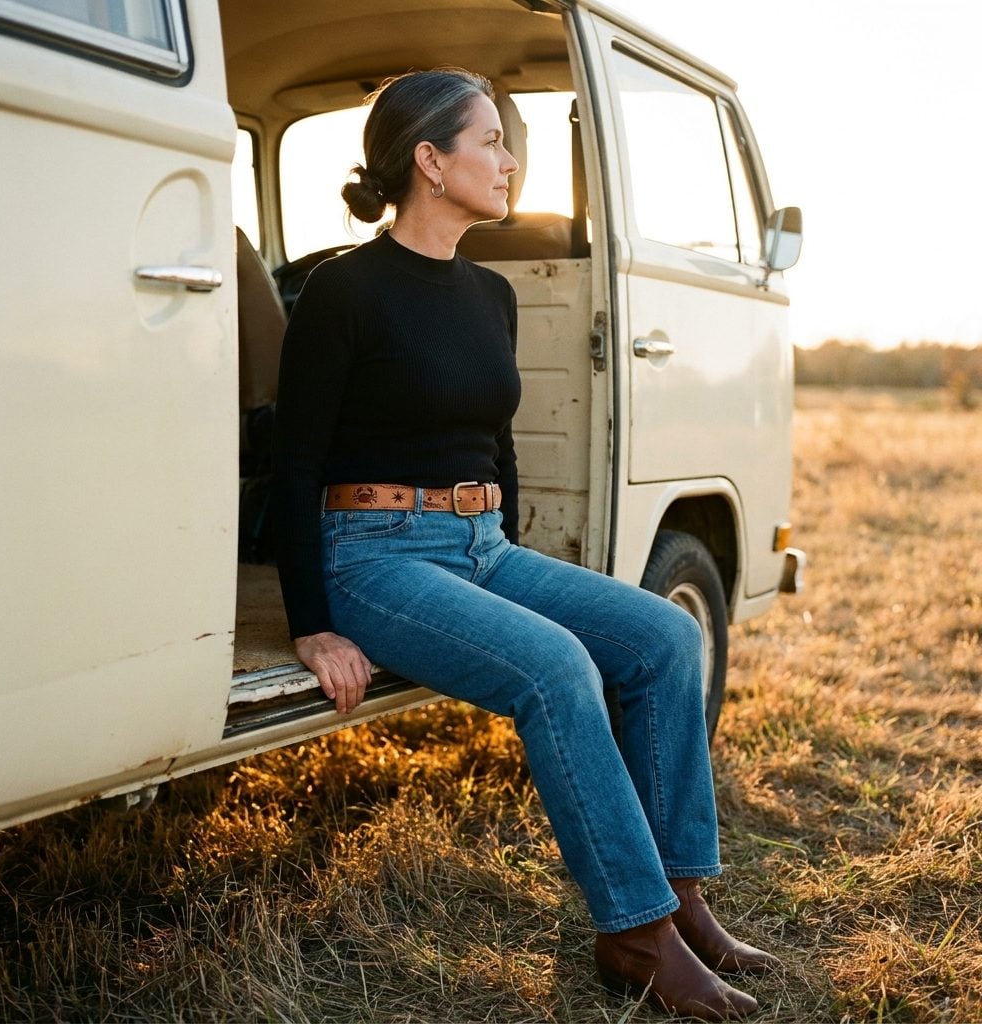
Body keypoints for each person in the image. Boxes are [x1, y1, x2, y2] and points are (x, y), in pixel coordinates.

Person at [272, 68, 779, 1021]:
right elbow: (293, 466)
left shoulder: (492, 295)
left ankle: (684, 900)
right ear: (430, 161)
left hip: (481, 544)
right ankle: (634, 932)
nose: (510, 162)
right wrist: (312, 624)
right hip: (372, 556)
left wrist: (502, 548)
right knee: (555, 668)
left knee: (666, 639)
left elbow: (495, 449)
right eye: (491, 141)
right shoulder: (344, 292)